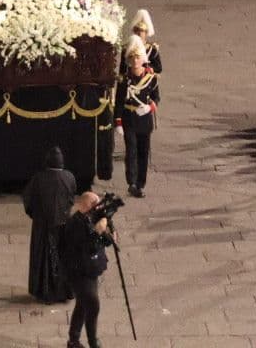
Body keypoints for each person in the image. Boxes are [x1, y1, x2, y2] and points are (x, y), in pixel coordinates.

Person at [22, 146, 76, 303]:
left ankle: (45, 291)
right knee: (61, 257)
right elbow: (71, 198)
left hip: (43, 226)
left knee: (44, 259)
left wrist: (37, 216)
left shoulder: (38, 179)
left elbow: (28, 200)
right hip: (63, 225)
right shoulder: (69, 177)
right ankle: (64, 291)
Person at [59, 191, 113, 348]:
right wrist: (98, 232)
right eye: (96, 205)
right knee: (93, 305)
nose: (98, 208)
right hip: (79, 273)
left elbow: (103, 243)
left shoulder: (91, 218)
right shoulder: (74, 225)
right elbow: (88, 247)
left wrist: (109, 231)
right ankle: (93, 342)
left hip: (92, 269)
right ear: (87, 206)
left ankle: (73, 340)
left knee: (83, 304)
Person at [116, 44, 159, 198]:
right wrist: (118, 121)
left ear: (143, 59)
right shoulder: (124, 80)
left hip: (144, 120)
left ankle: (141, 183)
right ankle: (132, 183)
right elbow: (119, 101)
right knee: (131, 152)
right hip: (129, 119)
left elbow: (156, 98)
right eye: (132, 58)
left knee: (143, 152)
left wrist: (149, 108)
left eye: (137, 57)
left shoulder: (150, 79)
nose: (135, 61)